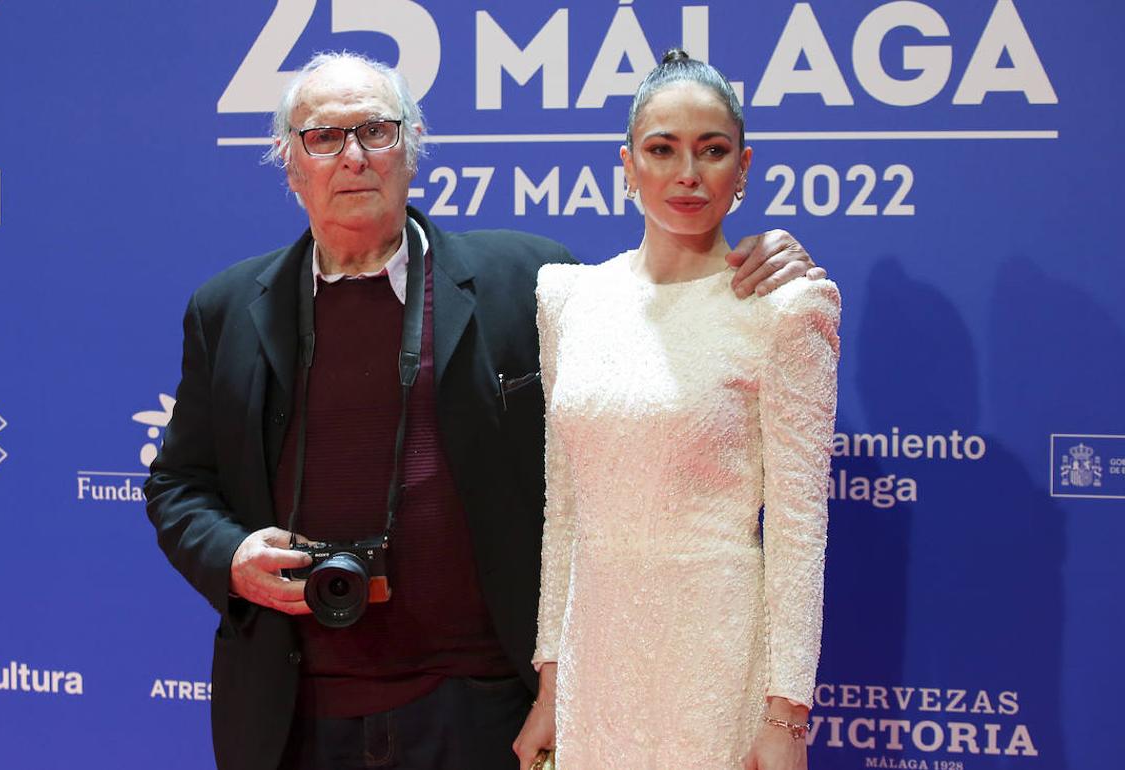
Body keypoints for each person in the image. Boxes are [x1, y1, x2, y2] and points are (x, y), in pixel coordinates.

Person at [145, 50, 826, 770]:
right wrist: (232, 556)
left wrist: (773, 258)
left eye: (377, 131)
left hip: (482, 707)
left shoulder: (528, 280)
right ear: (291, 163)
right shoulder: (224, 311)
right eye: (324, 137)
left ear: (412, 149)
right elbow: (178, 485)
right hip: (292, 712)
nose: (354, 157)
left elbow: (662, 307)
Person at [518, 50, 840, 770]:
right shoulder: (569, 301)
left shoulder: (784, 309)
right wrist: (550, 683)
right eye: (662, 150)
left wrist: (786, 719)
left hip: (715, 658)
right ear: (627, 164)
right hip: (594, 659)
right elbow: (564, 508)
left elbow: (798, 529)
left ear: (745, 166)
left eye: (712, 150)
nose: (687, 174)